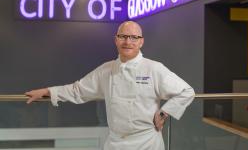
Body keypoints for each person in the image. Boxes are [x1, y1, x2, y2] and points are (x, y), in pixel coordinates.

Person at [25, 21, 195, 150]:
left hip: (147, 142)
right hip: (116, 142)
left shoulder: (154, 68)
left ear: (141, 42)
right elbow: (78, 90)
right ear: (116, 40)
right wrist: (48, 91)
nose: (128, 41)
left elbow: (187, 91)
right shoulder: (106, 70)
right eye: (123, 36)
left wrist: (164, 113)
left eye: (134, 37)